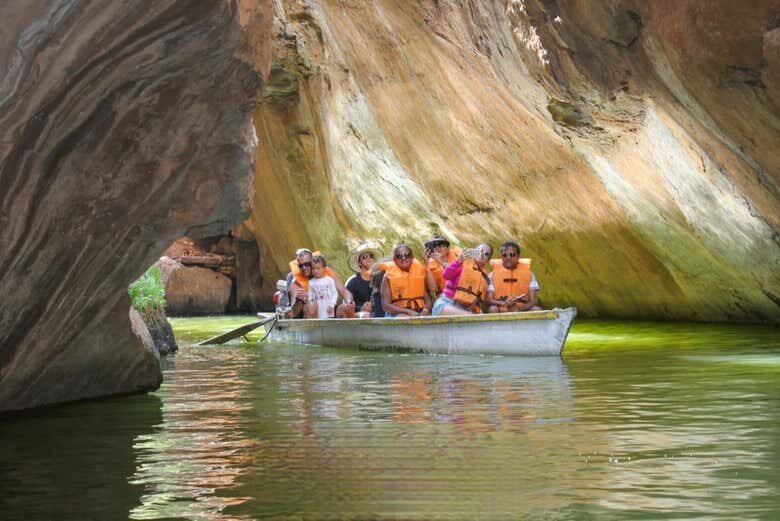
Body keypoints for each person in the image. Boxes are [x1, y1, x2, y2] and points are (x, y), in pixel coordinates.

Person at [286, 248, 354, 318]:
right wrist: (298, 300)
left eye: (307, 264)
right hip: (311, 316)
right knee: (312, 305)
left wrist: (349, 301)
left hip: (330, 310)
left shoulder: (327, 272)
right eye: (301, 265)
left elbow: (344, 292)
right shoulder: (295, 284)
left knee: (346, 308)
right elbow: (294, 312)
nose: (304, 268)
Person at [431, 243, 493, 315]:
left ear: (488, 259)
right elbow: (446, 275)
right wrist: (459, 260)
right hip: (445, 304)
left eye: (486, 254)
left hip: (463, 309)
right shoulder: (463, 262)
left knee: (481, 318)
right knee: (469, 316)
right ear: (474, 251)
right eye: (480, 251)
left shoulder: (485, 276)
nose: (482, 254)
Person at [486, 241, 542, 312]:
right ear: (501, 257)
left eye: (512, 255)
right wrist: (503, 303)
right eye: (504, 255)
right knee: (492, 308)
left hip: (521, 309)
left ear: (518, 256)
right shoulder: (492, 275)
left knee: (537, 309)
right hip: (502, 308)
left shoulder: (530, 274)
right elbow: (488, 299)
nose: (508, 257)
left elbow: (534, 301)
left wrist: (519, 309)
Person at [380, 244, 434, 317]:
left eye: (407, 255)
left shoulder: (419, 274)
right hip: (398, 313)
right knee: (404, 317)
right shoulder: (387, 277)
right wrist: (408, 312)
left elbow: (428, 300)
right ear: (394, 260)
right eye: (399, 256)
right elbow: (385, 305)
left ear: (412, 257)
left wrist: (425, 310)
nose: (403, 258)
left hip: (420, 311)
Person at [345, 246, 381, 318]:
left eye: (371, 256)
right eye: (365, 257)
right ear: (359, 263)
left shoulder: (380, 279)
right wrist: (361, 308)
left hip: (378, 314)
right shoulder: (353, 281)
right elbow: (347, 305)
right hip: (359, 316)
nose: (369, 259)